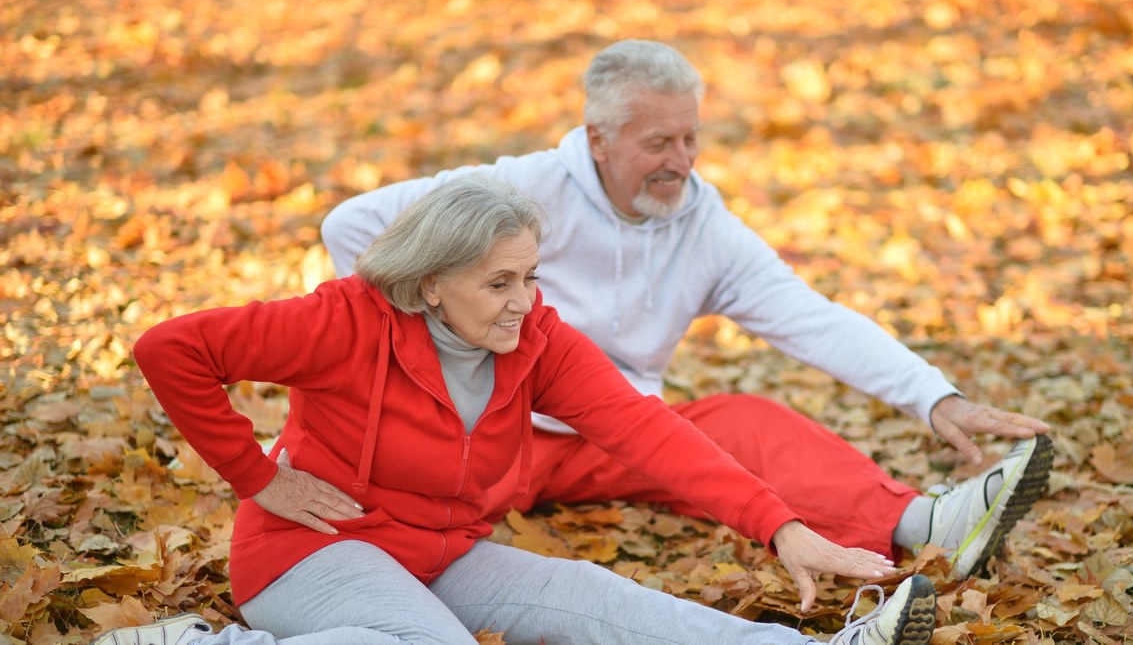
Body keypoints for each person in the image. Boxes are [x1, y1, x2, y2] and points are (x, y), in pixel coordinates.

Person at [320, 39, 1055, 580]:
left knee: (743, 423)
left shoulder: (704, 226)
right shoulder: (519, 189)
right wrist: (442, 346)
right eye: (658, 142)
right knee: (409, 519)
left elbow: (809, 317)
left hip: (613, 434)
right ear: (599, 140)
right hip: (482, 429)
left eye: (691, 137)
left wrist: (935, 397)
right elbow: (350, 227)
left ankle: (927, 521)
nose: (682, 159)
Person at [101, 175, 939, 645]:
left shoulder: (536, 339)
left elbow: (651, 434)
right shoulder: (341, 321)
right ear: (431, 283)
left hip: (439, 550)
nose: (524, 301)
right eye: (500, 283)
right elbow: (171, 349)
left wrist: (779, 526)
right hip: (308, 552)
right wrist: (256, 478)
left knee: (600, 601)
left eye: (532, 276)